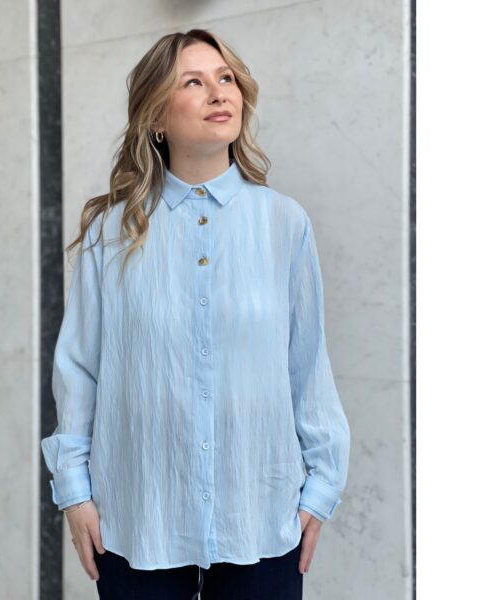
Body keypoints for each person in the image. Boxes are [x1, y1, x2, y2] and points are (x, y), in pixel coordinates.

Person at [40, 28, 351, 600]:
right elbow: (79, 369)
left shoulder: (284, 224)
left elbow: (307, 367)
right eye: (193, 82)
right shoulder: (111, 233)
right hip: (138, 520)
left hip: (261, 517)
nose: (218, 92)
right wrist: (75, 492)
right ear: (157, 116)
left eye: (225, 78)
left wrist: (321, 489)